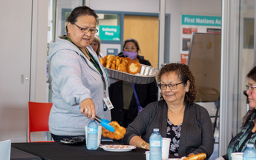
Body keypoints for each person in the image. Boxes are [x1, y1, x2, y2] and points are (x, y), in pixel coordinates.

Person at [123, 63, 214, 158]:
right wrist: (147, 146)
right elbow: (129, 133)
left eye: (172, 85)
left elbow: (207, 145)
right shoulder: (152, 109)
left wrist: (190, 158)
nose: (167, 89)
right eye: (163, 85)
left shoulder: (200, 113)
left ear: (186, 86)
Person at [47, 6, 111, 142]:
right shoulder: (64, 53)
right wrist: (84, 97)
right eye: (83, 29)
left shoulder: (86, 49)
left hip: (92, 127)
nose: (88, 34)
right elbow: (70, 78)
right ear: (69, 26)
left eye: (92, 30)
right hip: (72, 131)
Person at [108, 38, 158, 128]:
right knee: (116, 138)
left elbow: (153, 90)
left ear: (137, 51)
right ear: (123, 49)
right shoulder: (116, 64)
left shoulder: (145, 66)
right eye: (127, 48)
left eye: (132, 48)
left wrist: (149, 109)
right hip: (117, 110)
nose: (129, 50)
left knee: (132, 137)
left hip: (137, 111)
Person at [219, 66, 256, 160]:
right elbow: (236, 152)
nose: (248, 91)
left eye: (252, 87)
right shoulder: (252, 118)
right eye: (248, 87)